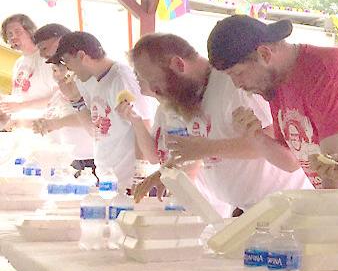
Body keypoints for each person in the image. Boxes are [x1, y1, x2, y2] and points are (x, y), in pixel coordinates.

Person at [206, 15, 338, 247]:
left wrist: (319, 238)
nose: (237, 84)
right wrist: (257, 137)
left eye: (238, 73)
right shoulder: (276, 84)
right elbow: (292, 160)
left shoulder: (327, 70)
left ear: (264, 54)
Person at [123, 33, 312, 217]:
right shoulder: (190, 97)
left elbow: (273, 140)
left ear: (178, 65)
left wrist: (205, 149)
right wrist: (167, 172)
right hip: (248, 211)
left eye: (155, 82)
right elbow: (201, 147)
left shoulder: (235, 82)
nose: (154, 91)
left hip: (284, 209)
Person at [45, 31, 157, 189]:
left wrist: (140, 173)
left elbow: (144, 122)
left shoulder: (121, 77)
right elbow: (94, 130)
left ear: (81, 56)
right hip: (107, 177)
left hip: (130, 179)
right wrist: (75, 100)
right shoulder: (87, 81)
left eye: (67, 61)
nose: (67, 69)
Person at [28, 24, 95, 174]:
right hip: (71, 158)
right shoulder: (63, 80)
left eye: (44, 48)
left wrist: (56, 123)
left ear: (60, 41)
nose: (42, 55)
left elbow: (95, 116)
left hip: (90, 159)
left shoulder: (86, 76)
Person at [1, 14, 54, 127]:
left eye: (18, 31)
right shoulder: (18, 63)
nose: (13, 37)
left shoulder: (45, 58)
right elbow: (20, 95)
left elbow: (58, 98)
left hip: (46, 129)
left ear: (30, 31)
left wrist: (21, 106)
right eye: (9, 34)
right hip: (23, 129)